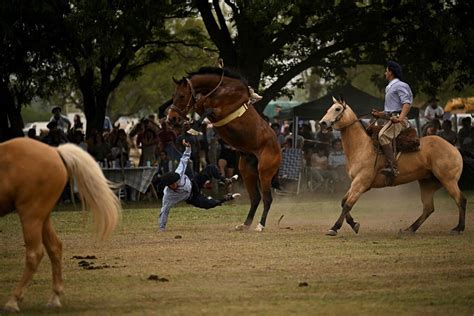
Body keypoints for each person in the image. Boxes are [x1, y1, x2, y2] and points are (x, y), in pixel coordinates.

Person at [158, 139, 240, 231]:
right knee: (208, 204)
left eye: (175, 182)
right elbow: (164, 211)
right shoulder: (168, 196)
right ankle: (226, 198)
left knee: (211, 168)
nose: (174, 185)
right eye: (171, 185)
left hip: (194, 182)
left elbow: (184, 159)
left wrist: (188, 148)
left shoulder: (179, 173)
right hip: (192, 197)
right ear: (168, 186)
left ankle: (224, 180)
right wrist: (161, 228)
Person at [371, 61, 413, 177]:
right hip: (391, 119)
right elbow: (391, 110)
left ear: (391, 72)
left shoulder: (400, 85)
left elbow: (407, 103)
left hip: (398, 120)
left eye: (386, 71)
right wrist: (379, 114)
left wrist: (400, 118)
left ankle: (393, 167)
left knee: (382, 136)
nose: (385, 73)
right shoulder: (389, 87)